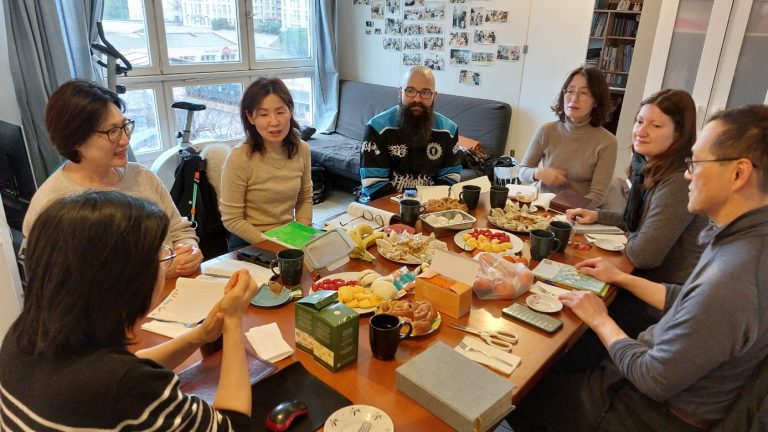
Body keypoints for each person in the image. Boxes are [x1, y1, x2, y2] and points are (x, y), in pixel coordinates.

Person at [509, 104, 768, 431]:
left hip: (644, 412)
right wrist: (619, 277)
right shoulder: (746, 241)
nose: (688, 174)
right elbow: (687, 300)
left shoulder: (734, 276)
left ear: (738, 173)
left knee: (516, 390)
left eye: (697, 163)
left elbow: (653, 378)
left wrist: (600, 320)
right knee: (562, 357)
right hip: (645, 384)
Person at [1, 191, 259, 430]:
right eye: (160, 256)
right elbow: (231, 425)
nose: (165, 263)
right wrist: (233, 321)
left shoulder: (23, 335)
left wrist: (200, 335)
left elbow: (131, 365)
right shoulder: (125, 385)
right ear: (125, 280)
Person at [562, 90, 709, 348]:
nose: (641, 131)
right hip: (641, 282)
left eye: (656, 125)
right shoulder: (648, 167)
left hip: (660, 301)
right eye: (639, 121)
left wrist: (632, 234)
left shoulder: (677, 181)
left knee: (570, 325)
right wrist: (599, 215)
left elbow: (644, 254)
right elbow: (639, 223)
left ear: (679, 133)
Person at [22, 79, 202, 278]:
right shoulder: (52, 204)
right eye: (112, 132)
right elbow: (71, 285)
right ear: (75, 138)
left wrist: (189, 251)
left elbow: (179, 230)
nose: (125, 140)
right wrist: (160, 270)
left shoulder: (142, 177)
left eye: (125, 126)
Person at [219, 77, 313, 250]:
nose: (274, 122)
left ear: (290, 111)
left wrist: (301, 233)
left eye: (280, 112)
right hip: (249, 241)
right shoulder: (239, 157)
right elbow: (231, 219)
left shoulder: (302, 149)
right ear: (250, 117)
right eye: (263, 114)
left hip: (288, 235)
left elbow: (304, 198)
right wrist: (273, 245)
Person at [518, 67, 618, 208]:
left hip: (576, 213)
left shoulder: (607, 141)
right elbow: (522, 171)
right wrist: (538, 173)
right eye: (570, 91)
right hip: (541, 208)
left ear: (596, 101)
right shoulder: (547, 130)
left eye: (584, 93)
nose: (574, 98)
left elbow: (597, 195)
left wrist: (563, 208)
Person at [359, 66, 462, 201]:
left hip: (430, 204)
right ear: (400, 92)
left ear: (434, 96)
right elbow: (374, 185)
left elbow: (450, 179)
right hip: (383, 204)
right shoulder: (376, 127)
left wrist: (425, 202)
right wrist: (413, 202)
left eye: (425, 92)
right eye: (410, 91)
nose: (417, 99)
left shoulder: (449, 130)